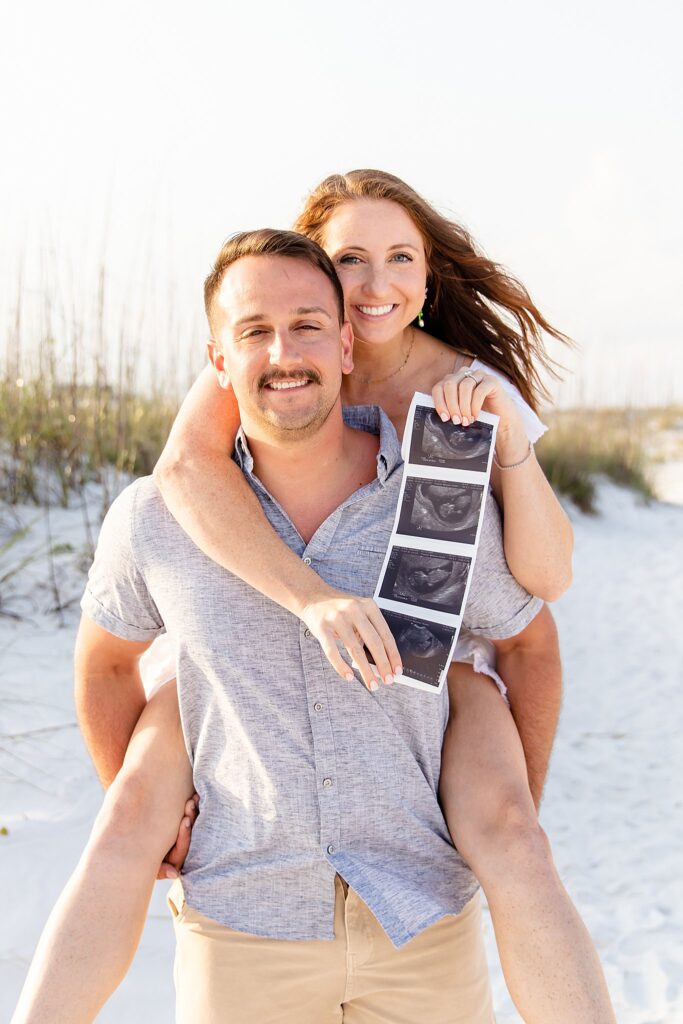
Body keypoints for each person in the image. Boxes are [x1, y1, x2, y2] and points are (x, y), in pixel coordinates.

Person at [13, 227, 614, 1024]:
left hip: (420, 919)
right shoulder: (156, 517)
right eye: (254, 331)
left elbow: (527, 639)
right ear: (217, 361)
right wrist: (153, 822)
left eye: (305, 326)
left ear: (343, 346)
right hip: (244, 926)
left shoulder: (434, 497)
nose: (282, 351)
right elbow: (104, 667)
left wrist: (511, 812)